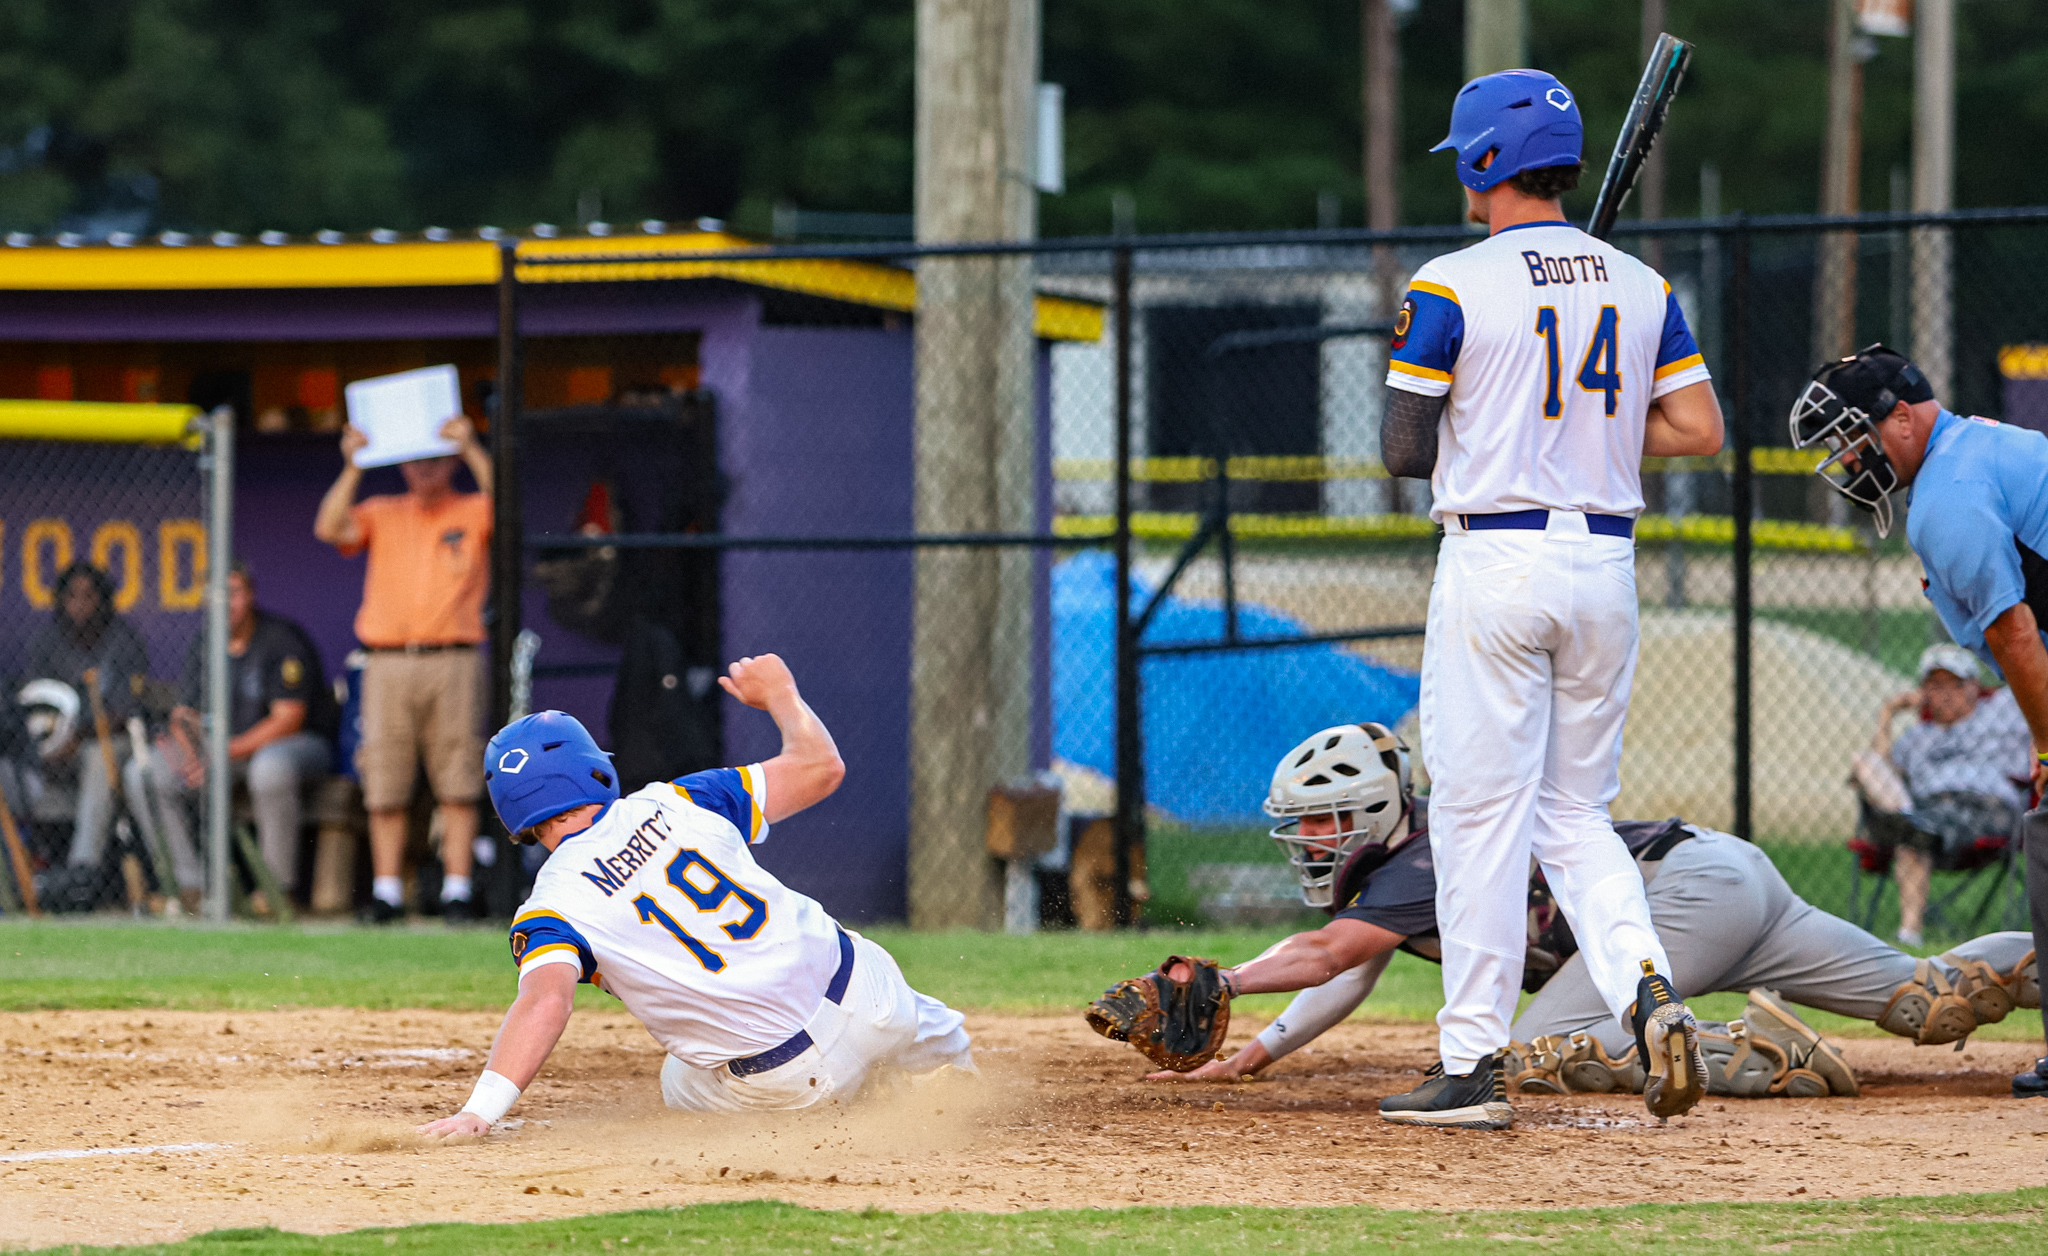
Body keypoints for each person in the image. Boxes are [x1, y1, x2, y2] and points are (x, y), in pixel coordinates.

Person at [1376, 70, 1725, 1126]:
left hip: (1496, 559)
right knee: (1572, 811)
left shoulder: (1449, 281)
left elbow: (1400, 448)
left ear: (1485, 162)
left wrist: (1496, 422)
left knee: (1480, 817)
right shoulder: (1640, 283)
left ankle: (1472, 1062)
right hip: (1602, 565)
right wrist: (1589, 436)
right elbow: (1698, 427)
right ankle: (1645, 990)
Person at [1133, 725, 2037, 1105]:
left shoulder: (1428, 852)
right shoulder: (1407, 870)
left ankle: (1747, 1053)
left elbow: (1330, 955)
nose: (1311, 838)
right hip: (1717, 877)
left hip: (1679, 897)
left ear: (1374, 808)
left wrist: (1231, 982)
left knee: (1512, 1056)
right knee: (1938, 1001)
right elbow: (1353, 971)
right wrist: (1252, 1054)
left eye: (1324, 819)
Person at [419, 654, 973, 1135]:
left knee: (677, 1079)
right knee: (941, 1052)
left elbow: (546, 1002)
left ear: (514, 816)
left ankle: (850, 1110)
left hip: (788, 1078)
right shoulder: (683, 798)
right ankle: (957, 1080)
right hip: (875, 997)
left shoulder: (550, 907)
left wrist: (480, 1111)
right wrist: (781, 694)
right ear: (592, 769)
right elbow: (821, 769)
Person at [1789, 344, 2048, 1098]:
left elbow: (2014, 634)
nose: (1844, 457)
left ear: (1901, 417)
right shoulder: (1978, 449)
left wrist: (2045, 745)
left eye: (1850, 436)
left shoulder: (1949, 493)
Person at [313, 416, 492, 923]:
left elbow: (511, 510)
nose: (425, 470)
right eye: (415, 460)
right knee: (385, 781)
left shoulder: (472, 507)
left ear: (451, 462)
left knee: (457, 781)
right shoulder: (383, 510)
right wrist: (353, 466)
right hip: (387, 661)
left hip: (452, 658)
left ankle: (457, 891)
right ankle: (387, 892)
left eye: (435, 459)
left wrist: (473, 449)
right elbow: (329, 527)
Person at [134, 561, 338, 911]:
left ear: (251, 595)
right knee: (144, 774)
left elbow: (289, 718)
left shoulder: (281, 639)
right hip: (225, 750)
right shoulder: (204, 642)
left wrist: (224, 753)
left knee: (269, 769)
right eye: (217, 595)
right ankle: (190, 887)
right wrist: (193, 754)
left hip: (294, 746)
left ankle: (275, 890)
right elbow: (185, 714)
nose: (226, 603)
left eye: (235, 593)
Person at [1853, 642, 2033, 947]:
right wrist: (1888, 714)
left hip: (1987, 809)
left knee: (1911, 832)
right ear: (1923, 693)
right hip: (1929, 808)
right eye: (1935, 685)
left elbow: (2035, 683)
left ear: (1975, 686)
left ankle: (1905, 822)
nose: (1946, 693)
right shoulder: (1916, 738)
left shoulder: (2003, 709)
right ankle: (1909, 935)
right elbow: (1883, 771)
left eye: (1956, 684)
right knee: (1865, 764)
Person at [23, 562, 154, 894]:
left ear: (103, 600)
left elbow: (126, 711)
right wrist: (54, 744)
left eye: (88, 596)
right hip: (54, 751)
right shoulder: (47, 643)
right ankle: (25, 879)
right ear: (61, 601)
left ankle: (83, 870)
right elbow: (34, 707)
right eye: (72, 596)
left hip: (111, 746)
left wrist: (76, 737)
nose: (80, 604)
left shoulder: (123, 640)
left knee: (98, 757)